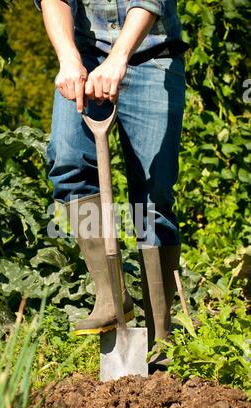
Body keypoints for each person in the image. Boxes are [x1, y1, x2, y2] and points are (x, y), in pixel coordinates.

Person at [35, 0, 187, 365]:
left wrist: (118, 59)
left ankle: (161, 337)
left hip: (153, 59)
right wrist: (69, 58)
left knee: (152, 198)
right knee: (69, 162)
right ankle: (111, 295)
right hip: (84, 58)